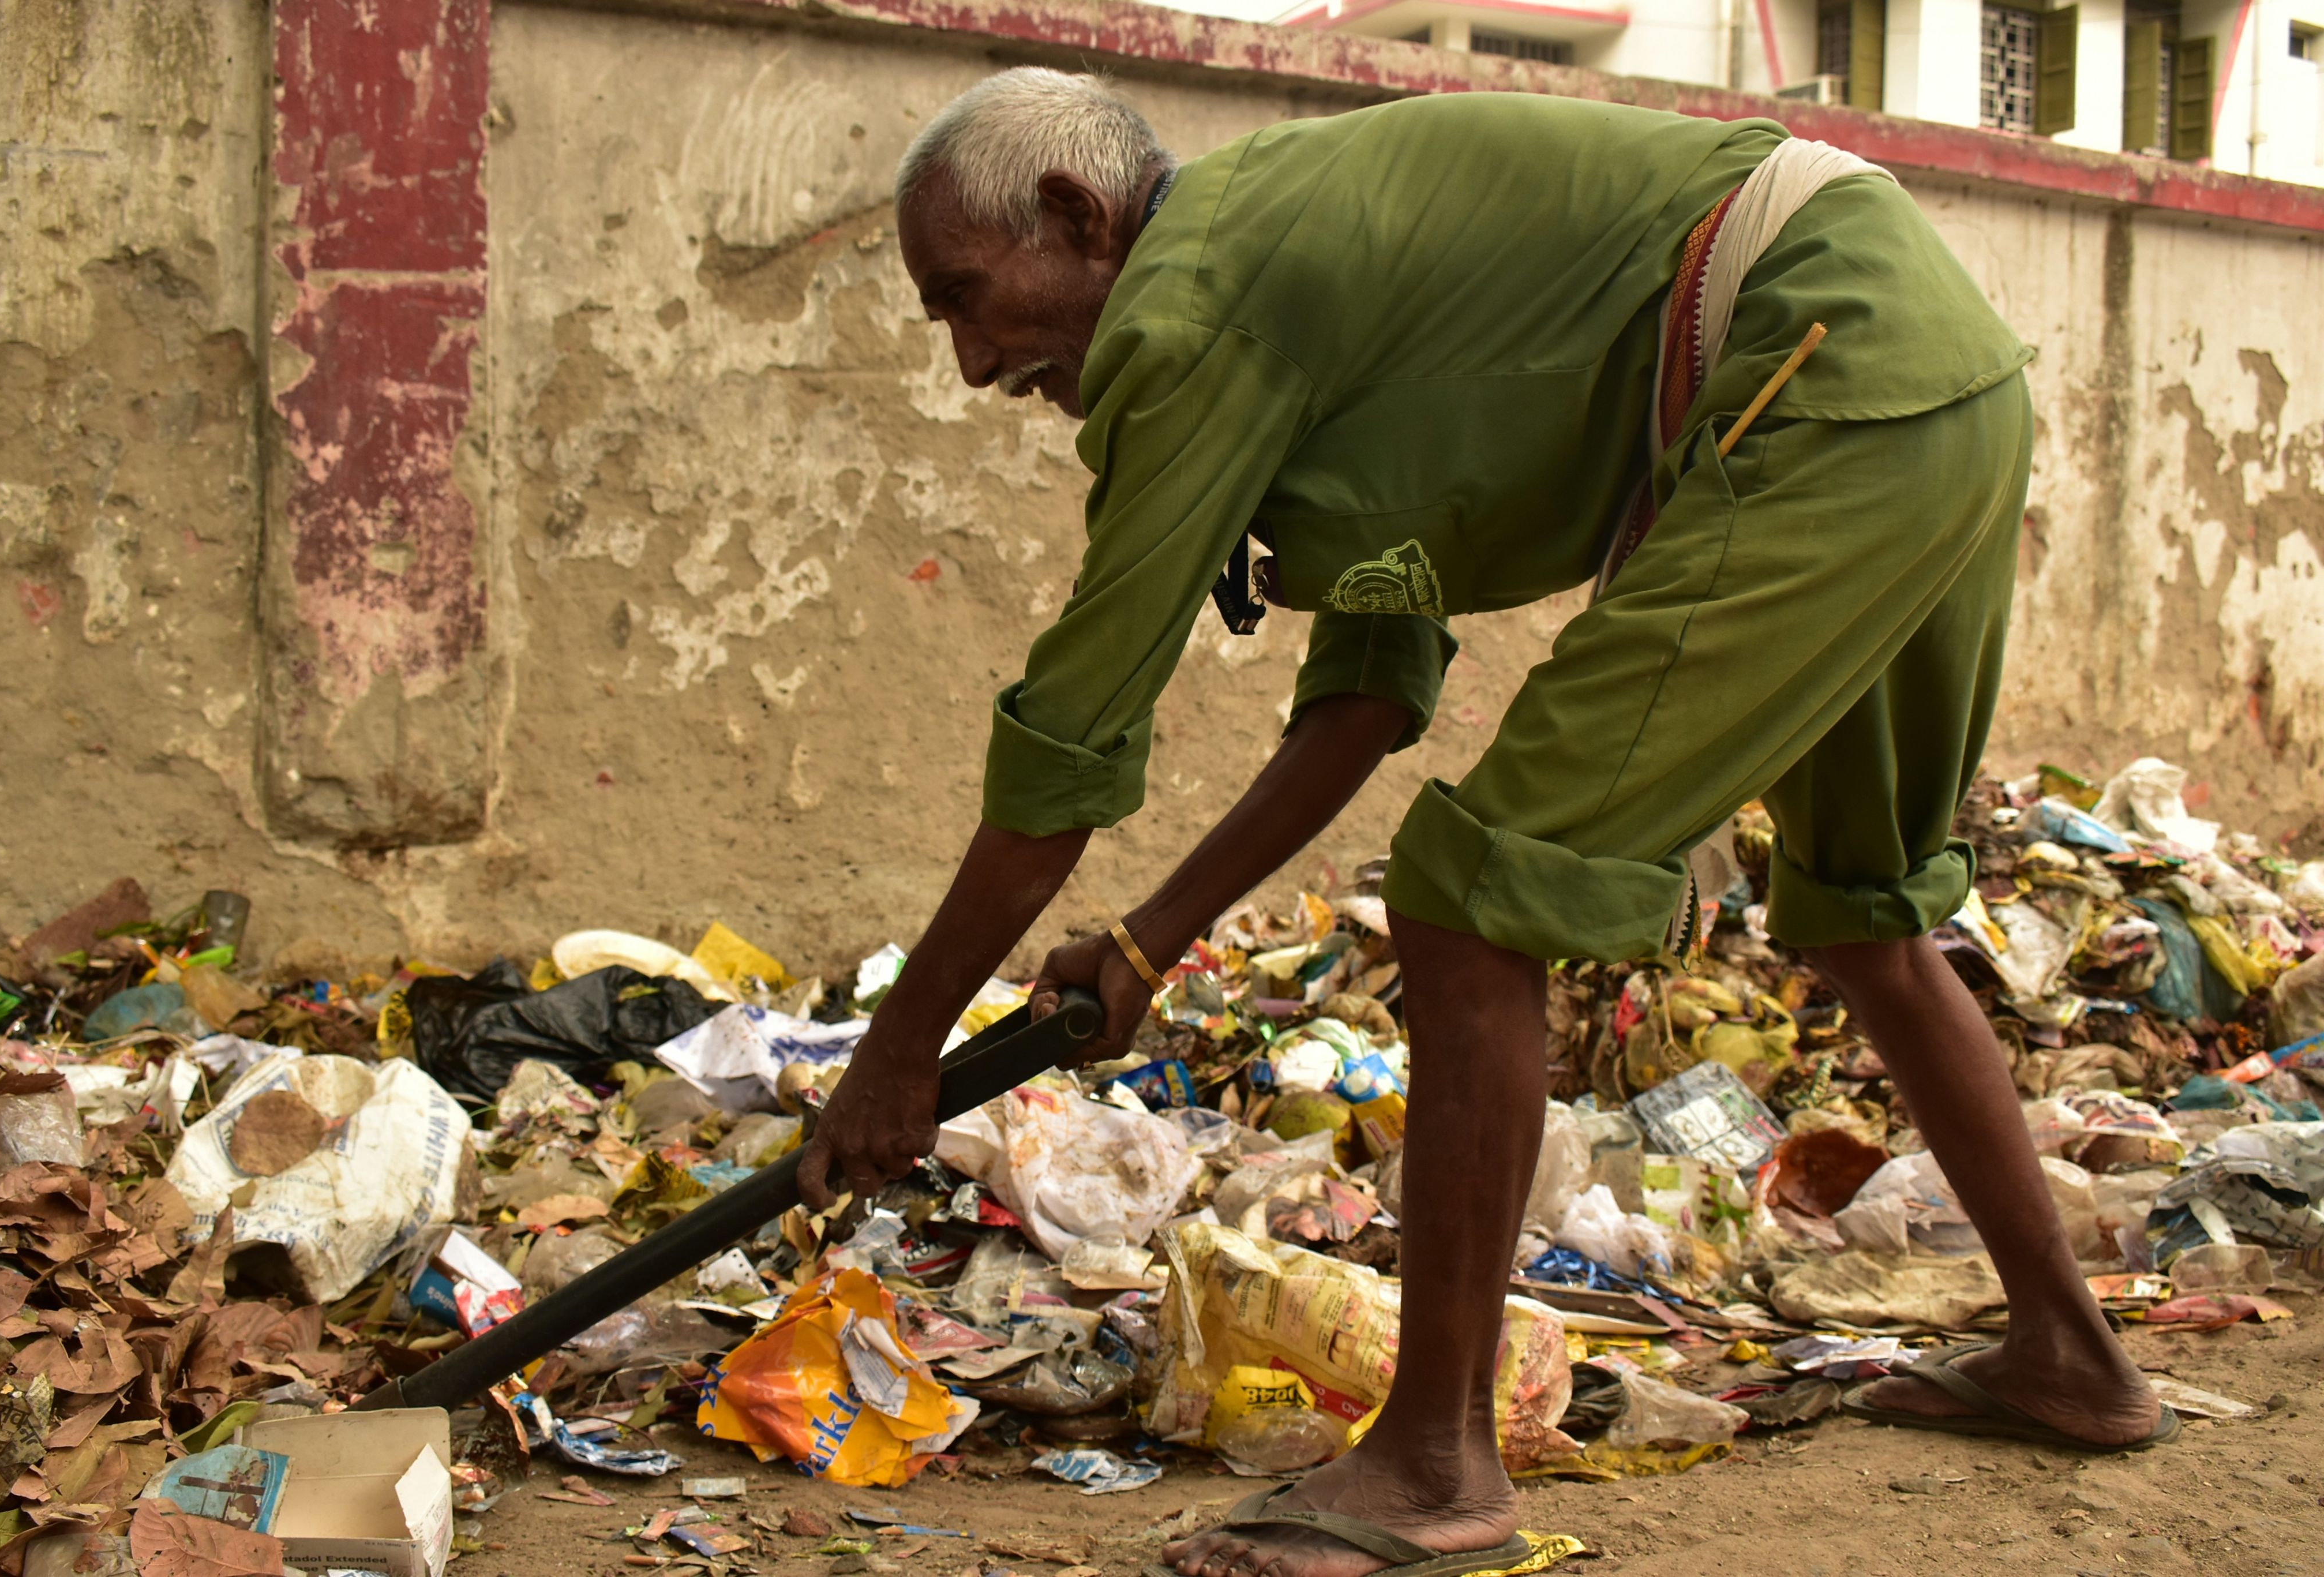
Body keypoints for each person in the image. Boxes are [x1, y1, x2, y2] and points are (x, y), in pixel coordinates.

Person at [797, 67, 2173, 1577]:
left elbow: (1070, 737)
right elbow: (1368, 699)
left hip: (1812, 365)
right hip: (1927, 375)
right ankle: (2072, 1357)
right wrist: (1145, 944)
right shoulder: (1307, 289)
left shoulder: (1189, 304)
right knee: (1864, 909)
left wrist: (898, 1051)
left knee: (1464, 897)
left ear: (1077, 219)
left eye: (969, 298)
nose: (974, 362)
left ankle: (1437, 1462)